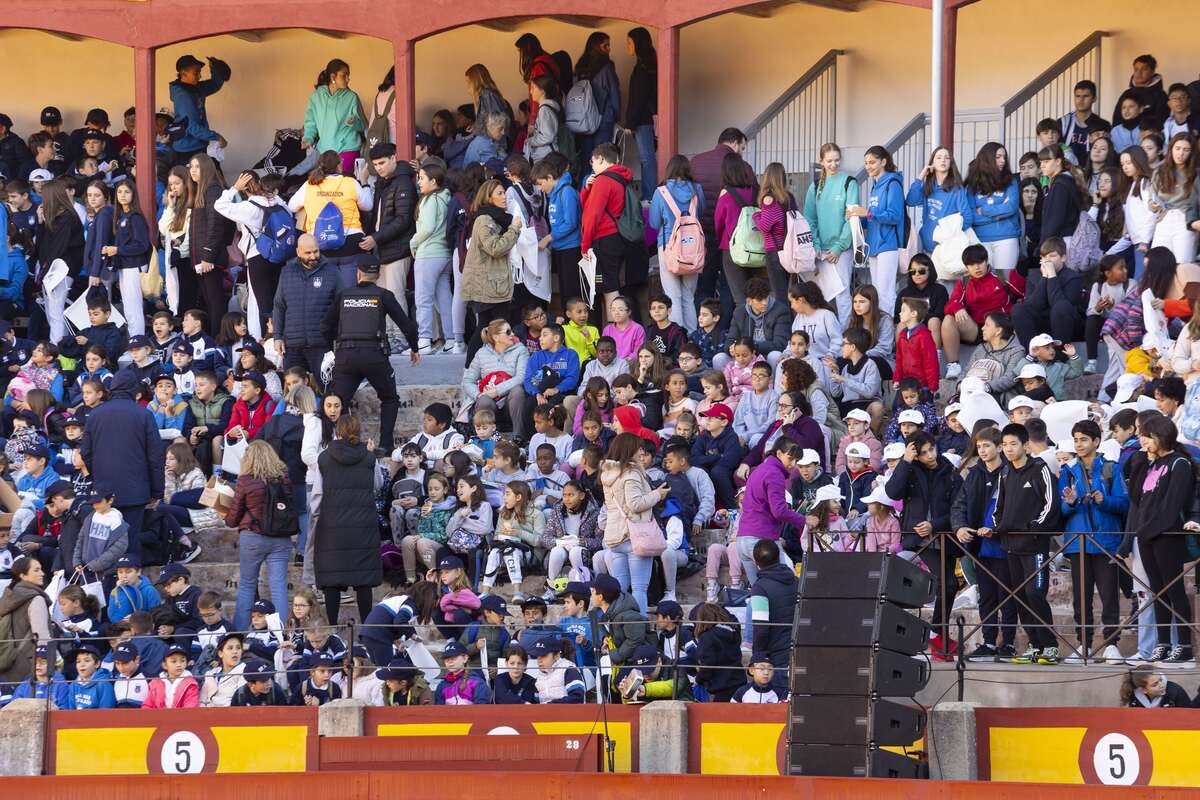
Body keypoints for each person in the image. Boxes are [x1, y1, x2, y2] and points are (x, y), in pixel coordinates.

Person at [322, 260, 419, 454]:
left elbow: (325, 326)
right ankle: (384, 445)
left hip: (346, 356)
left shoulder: (343, 296)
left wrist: (333, 349)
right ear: (377, 277)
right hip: (375, 355)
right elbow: (407, 325)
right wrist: (414, 348)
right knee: (389, 398)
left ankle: (335, 444)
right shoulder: (384, 295)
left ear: (358, 273)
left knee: (338, 401)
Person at [987, 423, 1061, 664]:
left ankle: (1050, 646)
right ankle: (1035, 645)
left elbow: (1051, 504)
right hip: (1011, 546)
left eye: (1013, 444)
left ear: (1025, 445)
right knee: (1020, 597)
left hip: (1035, 547)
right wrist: (999, 527)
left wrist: (1034, 529)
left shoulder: (1040, 470)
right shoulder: (1005, 473)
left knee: (1035, 594)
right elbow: (998, 507)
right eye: (1005, 445)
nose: (1008, 449)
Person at [1127, 415, 1195, 664]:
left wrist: (1151, 530)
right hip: (1146, 535)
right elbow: (1136, 496)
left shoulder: (1179, 463)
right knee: (1157, 592)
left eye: (1146, 435)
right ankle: (1163, 643)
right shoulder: (1151, 463)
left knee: (1173, 589)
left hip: (1167, 534)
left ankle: (1184, 645)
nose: (1141, 439)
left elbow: (1172, 504)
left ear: (1160, 435)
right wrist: (1144, 463)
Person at [1058, 419, 1128, 663]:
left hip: (1106, 541)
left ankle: (1111, 644)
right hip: (1078, 543)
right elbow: (1060, 511)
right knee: (1081, 597)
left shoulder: (1112, 469)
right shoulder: (1067, 471)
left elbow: (1124, 503)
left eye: (1084, 439)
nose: (1079, 444)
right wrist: (1070, 502)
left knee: (1109, 595)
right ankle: (1083, 645)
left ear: (1096, 442)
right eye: (1076, 439)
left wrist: (1103, 500)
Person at [79, 369, 162, 561]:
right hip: (136, 490)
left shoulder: (96, 414)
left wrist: (97, 477)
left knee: (104, 543)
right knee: (130, 544)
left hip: (104, 490)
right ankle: (128, 586)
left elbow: (86, 453)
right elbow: (155, 456)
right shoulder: (144, 415)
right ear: (134, 390)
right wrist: (157, 491)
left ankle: (108, 586)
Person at [952, 426, 1017, 662]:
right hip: (980, 546)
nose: (982, 450)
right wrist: (959, 527)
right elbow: (960, 504)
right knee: (987, 595)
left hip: (1005, 544)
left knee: (1007, 595)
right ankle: (989, 641)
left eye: (987, 445)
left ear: (999, 447)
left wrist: (997, 529)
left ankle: (1008, 643)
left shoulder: (1011, 472)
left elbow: (1015, 508)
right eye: (979, 446)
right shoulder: (975, 473)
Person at [313, 415, 381, 625]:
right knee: (364, 581)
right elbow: (377, 485)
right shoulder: (369, 458)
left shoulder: (324, 457)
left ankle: (332, 629)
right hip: (363, 525)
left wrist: (316, 517)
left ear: (337, 431)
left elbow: (317, 494)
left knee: (332, 580)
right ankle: (367, 628)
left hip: (332, 525)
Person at [224, 440, 293, 630]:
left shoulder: (246, 480)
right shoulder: (284, 478)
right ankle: (281, 635)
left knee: (247, 585)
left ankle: (240, 634)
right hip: (281, 538)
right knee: (278, 586)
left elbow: (233, 517)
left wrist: (226, 517)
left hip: (253, 537)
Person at [214, 170, 289, 339]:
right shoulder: (276, 201)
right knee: (279, 300)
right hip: (280, 255)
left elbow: (219, 205)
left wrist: (233, 188)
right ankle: (281, 337)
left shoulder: (248, 207)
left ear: (243, 188)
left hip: (258, 257)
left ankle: (267, 339)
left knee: (263, 302)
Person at [601, 432, 669, 613]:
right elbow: (635, 504)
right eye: (639, 448)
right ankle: (641, 626)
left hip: (616, 536)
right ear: (629, 449)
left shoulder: (609, 474)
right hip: (633, 536)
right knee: (639, 588)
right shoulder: (631, 473)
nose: (642, 452)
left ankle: (616, 623)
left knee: (621, 588)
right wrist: (657, 495)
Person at [691, 128, 747, 318]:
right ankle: (726, 329)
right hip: (731, 239)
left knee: (703, 286)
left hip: (702, 235)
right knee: (729, 286)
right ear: (735, 143)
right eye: (742, 147)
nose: (741, 152)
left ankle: (702, 327)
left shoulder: (696, 162)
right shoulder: (740, 166)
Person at [461, 179, 524, 339]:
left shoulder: (499, 218)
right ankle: (471, 364)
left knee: (490, 328)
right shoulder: (484, 220)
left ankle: (479, 363)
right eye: (499, 193)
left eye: (504, 193)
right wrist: (514, 229)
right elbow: (495, 248)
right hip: (487, 284)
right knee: (488, 328)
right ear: (488, 197)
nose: (504, 197)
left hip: (496, 283)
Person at [648, 155, 705, 331]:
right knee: (688, 296)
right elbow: (700, 214)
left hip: (668, 249)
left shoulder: (661, 192)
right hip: (693, 249)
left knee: (673, 296)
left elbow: (654, 223)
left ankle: (678, 342)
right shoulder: (697, 190)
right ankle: (691, 340)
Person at [272, 234, 340, 380]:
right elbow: (279, 306)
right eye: (308, 253)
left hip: (322, 344)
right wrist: (277, 336)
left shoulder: (332, 272)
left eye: (316, 251)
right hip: (292, 346)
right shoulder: (286, 272)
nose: (313, 256)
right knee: (294, 395)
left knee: (326, 389)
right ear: (298, 252)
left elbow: (341, 305)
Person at [847, 145, 905, 317]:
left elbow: (894, 216)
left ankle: (888, 336)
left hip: (888, 244)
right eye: (866, 163)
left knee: (886, 293)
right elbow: (873, 220)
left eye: (872, 162)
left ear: (884, 162)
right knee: (877, 293)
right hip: (874, 244)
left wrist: (868, 213)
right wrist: (856, 217)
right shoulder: (876, 185)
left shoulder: (893, 183)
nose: (868, 166)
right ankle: (879, 332)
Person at [803, 143, 857, 322]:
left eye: (836, 160)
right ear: (821, 162)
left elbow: (852, 217)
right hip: (821, 250)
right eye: (829, 161)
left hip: (841, 249)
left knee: (842, 293)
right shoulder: (815, 185)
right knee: (821, 294)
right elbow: (810, 218)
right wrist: (816, 245)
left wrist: (839, 247)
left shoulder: (849, 182)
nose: (833, 164)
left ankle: (845, 337)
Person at [365, 143, 417, 322]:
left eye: (382, 163)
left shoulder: (402, 182)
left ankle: (401, 338)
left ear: (394, 158)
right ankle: (391, 337)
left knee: (395, 294)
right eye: (376, 164)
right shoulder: (384, 182)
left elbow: (403, 220)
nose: (379, 168)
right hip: (383, 247)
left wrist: (375, 238)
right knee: (385, 295)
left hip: (398, 248)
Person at [580, 143, 633, 316]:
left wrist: (585, 245)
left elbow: (591, 214)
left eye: (592, 161)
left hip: (603, 239)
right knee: (611, 285)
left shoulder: (603, 180)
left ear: (601, 158)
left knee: (609, 289)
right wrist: (587, 190)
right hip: (616, 237)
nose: (592, 165)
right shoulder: (620, 178)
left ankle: (614, 337)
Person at [34, 180, 85, 343]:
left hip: (63, 269)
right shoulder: (56, 218)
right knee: (51, 312)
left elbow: (58, 248)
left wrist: (43, 271)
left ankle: (57, 347)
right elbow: (40, 247)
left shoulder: (68, 217)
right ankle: (60, 345)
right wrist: (40, 224)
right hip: (52, 269)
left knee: (55, 312)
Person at [187, 154, 233, 332]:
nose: (193, 171)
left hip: (209, 259)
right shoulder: (201, 191)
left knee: (216, 302)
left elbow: (216, 225)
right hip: (201, 259)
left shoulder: (213, 190)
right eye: (191, 167)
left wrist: (207, 255)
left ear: (206, 168)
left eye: (197, 167)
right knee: (209, 302)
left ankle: (219, 341)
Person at [1012, 237, 1083, 349]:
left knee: (1061, 306)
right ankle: (1031, 352)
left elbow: (1061, 307)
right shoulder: (1033, 276)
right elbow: (1033, 306)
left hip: (1066, 327)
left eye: (1052, 256)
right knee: (1019, 309)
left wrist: (1052, 275)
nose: (1047, 260)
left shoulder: (1073, 278)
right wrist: (1045, 277)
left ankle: (1060, 354)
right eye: (1044, 257)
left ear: (1063, 258)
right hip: (1043, 325)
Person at [748, 537, 796, 696]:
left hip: (777, 657)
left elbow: (760, 628)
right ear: (779, 556)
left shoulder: (760, 588)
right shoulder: (797, 580)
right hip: (801, 650)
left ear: (756, 562)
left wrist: (757, 657)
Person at [302, 59, 365, 176]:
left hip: (348, 148)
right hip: (325, 150)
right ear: (333, 77)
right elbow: (310, 122)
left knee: (343, 185)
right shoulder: (316, 97)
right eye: (344, 75)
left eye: (348, 76)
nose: (348, 79)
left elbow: (363, 127)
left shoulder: (352, 97)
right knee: (326, 186)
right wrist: (308, 138)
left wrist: (354, 122)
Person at [967, 142, 1022, 275]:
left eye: (1004, 157)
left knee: (1004, 281)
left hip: (1006, 239)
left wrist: (984, 210)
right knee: (984, 282)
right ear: (987, 158)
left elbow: (1011, 208)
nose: (1003, 160)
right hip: (980, 240)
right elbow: (972, 217)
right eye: (998, 157)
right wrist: (1000, 213)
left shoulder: (1011, 181)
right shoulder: (972, 184)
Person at [906, 146, 973, 255]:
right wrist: (921, 177)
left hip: (946, 249)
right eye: (939, 157)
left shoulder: (956, 189)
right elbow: (910, 201)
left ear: (951, 163)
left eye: (947, 158)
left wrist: (949, 235)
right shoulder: (927, 186)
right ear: (932, 163)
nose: (943, 160)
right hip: (925, 245)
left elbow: (968, 218)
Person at [169, 54, 231, 166]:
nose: (200, 76)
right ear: (183, 73)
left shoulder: (196, 88)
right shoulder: (183, 95)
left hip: (199, 144)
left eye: (199, 72)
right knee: (204, 179)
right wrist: (216, 137)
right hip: (187, 149)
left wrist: (216, 69)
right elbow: (192, 127)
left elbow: (214, 85)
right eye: (196, 73)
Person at [0, 556, 50, 685]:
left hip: (8, 663)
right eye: (36, 570)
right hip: (31, 665)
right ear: (22, 575)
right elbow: (42, 638)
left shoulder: (8, 597)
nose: (42, 573)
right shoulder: (36, 599)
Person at [622, 27, 657, 202]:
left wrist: (630, 122)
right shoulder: (647, 64)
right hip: (645, 119)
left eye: (629, 42)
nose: (627, 46)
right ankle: (648, 194)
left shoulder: (643, 68)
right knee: (647, 158)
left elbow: (639, 98)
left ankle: (649, 195)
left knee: (646, 158)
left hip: (643, 120)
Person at [574, 32, 622, 157]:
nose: (609, 49)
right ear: (596, 47)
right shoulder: (607, 68)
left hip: (583, 120)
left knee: (586, 160)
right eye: (606, 46)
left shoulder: (580, 68)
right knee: (602, 159)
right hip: (604, 119)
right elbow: (614, 94)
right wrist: (616, 116)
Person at [1037, 146, 1082, 246]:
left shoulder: (1060, 185)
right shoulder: (1064, 181)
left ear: (1058, 161)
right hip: (1064, 240)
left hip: (1061, 242)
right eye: (1041, 162)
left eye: (1046, 161)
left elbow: (1055, 220)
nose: (1042, 166)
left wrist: (1042, 245)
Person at [1112, 54, 1169, 132]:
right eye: (1136, 69)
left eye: (1144, 69)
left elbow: (1161, 122)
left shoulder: (1160, 95)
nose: (1139, 73)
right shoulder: (1126, 94)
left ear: (1152, 72)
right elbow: (1116, 120)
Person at [1060, 80, 1108, 166]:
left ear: (1094, 99)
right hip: (1066, 172)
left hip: (1092, 171)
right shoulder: (1063, 123)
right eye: (1078, 96)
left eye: (1086, 96)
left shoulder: (1103, 125)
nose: (1081, 100)